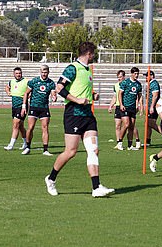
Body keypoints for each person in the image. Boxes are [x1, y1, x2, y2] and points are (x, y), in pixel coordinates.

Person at [44, 41, 114, 198]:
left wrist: (92, 95)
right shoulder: (72, 68)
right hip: (73, 114)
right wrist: (76, 100)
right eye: (93, 54)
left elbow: (82, 89)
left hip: (88, 115)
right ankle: (51, 178)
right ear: (88, 53)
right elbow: (59, 88)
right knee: (71, 152)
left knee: (94, 150)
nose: (94, 56)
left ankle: (96, 187)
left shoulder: (88, 69)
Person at [21, 65, 57, 156]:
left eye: (45, 72)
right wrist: (24, 106)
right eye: (42, 72)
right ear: (40, 72)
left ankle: (45, 150)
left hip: (44, 108)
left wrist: (54, 97)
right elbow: (26, 93)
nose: (44, 74)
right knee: (31, 127)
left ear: (48, 72)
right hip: (33, 107)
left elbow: (53, 93)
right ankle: (28, 147)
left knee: (45, 128)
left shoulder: (51, 83)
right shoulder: (34, 81)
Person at [116, 67, 142, 151]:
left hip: (132, 108)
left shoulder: (138, 84)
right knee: (126, 124)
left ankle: (130, 145)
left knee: (131, 126)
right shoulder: (125, 82)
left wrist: (139, 105)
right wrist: (121, 104)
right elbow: (120, 94)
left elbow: (140, 96)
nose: (136, 75)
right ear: (131, 74)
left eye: (137, 73)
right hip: (125, 107)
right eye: (135, 73)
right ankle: (119, 142)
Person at [4, 67, 28, 151]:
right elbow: (7, 87)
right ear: (14, 74)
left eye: (20, 73)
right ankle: (26, 143)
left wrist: (26, 99)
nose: (18, 75)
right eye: (17, 73)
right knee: (20, 126)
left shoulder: (26, 81)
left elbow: (30, 91)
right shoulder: (12, 81)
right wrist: (8, 92)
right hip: (14, 106)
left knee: (16, 124)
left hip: (22, 106)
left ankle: (11, 145)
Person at [143, 70, 162, 146]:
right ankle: (147, 141)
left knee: (150, 123)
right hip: (150, 106)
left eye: (147, 76)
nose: (146, 77)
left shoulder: (154, 84)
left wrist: (151, 106)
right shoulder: (149, 84)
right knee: (147, 124)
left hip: (153, 107)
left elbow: (155, 95)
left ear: (151, 76)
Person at [108, 70, 126, 147]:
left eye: (120, 77)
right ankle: (119, 143)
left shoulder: (127, 84)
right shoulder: (116, 85)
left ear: (124, 77)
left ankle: (134, 141)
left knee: (128, 125)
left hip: (125, 107)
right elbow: (115, 97)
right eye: (118, 77)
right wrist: (110, 106)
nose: (119, 79)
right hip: (118, 107)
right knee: (117, 125)